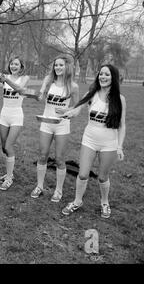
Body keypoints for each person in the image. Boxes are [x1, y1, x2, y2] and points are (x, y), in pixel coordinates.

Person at [60, 64, 126, 219]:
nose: (103, 77)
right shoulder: (92, 94)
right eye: (101, 74)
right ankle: (77, 201)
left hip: (109, 143)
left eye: (107, 75)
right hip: (89, 139)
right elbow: (77, 109)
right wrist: (69, 113)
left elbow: (122, 125)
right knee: (83, 174)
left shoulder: (120, 99)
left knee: (103, 177)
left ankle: (104, 202)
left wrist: (120, 147)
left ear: (113, 78)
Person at [31, 55, 79, 202]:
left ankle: (58, 190)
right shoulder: (49, 81)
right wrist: (39, 95)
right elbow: (41, 98)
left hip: (62, 125)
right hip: (46, 122)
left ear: (67, 67)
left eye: (61, 65)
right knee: (42, 155)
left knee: (59, 159)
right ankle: (39, 186)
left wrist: (67, 112)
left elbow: (77, 108)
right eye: (56, 65)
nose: (57, 67)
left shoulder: (73, 86)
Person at [0, 56, 30, 191]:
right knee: (4, 147)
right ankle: (10, 173)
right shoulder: (5, 77)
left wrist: (6, 80)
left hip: (16, 116)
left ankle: (9, 178)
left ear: (21, 67)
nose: (14, 66)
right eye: (12, 64)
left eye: (17, 64)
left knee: (9, 146)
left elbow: (20, 90)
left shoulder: (25, 78)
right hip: (4, 114)